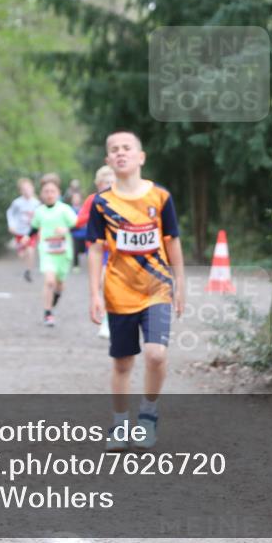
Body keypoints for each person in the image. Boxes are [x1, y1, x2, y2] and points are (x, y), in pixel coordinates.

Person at [86, 131, 185, 451]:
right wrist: (94, 294)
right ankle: (119, 424)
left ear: (141, 157)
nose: (120, 153)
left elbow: (172, 241)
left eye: (127, 148)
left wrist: (180, 283)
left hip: (157, 288)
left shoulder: (160, 197)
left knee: (156, 354)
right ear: (108, 161)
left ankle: (148, 416)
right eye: (113, 150)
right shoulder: (103, 203)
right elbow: (95, 249)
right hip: (119, 292)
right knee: (123, 362)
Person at [29, 173, 78, 328]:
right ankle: (48, 313)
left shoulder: (65, 209)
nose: (49, 195)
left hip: (63, 253)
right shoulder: (39, 211)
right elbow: (34, 228)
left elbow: (76, 224)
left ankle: (56, 296)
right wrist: (25, 237)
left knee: (59, 283)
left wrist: (65, 229)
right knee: (49, 281)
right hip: (47, 251)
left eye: (52, 191)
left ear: (58, 193)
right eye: (46, 192)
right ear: (41, 194)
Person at [76, 165, 116, 339]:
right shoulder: (93, 200)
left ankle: (110, 321)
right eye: (105, 182)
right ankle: (108, 320)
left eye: (111, 182)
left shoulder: (121, 199)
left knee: (109, 285)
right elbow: (79, 221)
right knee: (102, 284)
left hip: (116, 251)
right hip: (98, 250)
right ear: (98, 184)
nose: (108, 185)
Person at [6, 177, 40, 283]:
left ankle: (28, 271)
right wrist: (11, 225)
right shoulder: (17, 203)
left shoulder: (36, 203)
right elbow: (10, 213)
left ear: (33, 189)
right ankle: (20, 248)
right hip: (20, 232)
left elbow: (40, 217)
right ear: (20, 191)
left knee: (31, 251)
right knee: (22, 255)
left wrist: (40, 229)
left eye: (28, 188)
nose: (27, 191)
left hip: (31, 232)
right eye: (24, 189)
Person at [69, 190, 86, 270]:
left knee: (83, 250)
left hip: (84, 233)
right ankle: (76, 265)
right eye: (74, 198)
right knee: (75, 250)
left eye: (77, 198)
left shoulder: (84, 209)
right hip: (75, 234)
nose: (76, 199)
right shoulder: (69, 209)